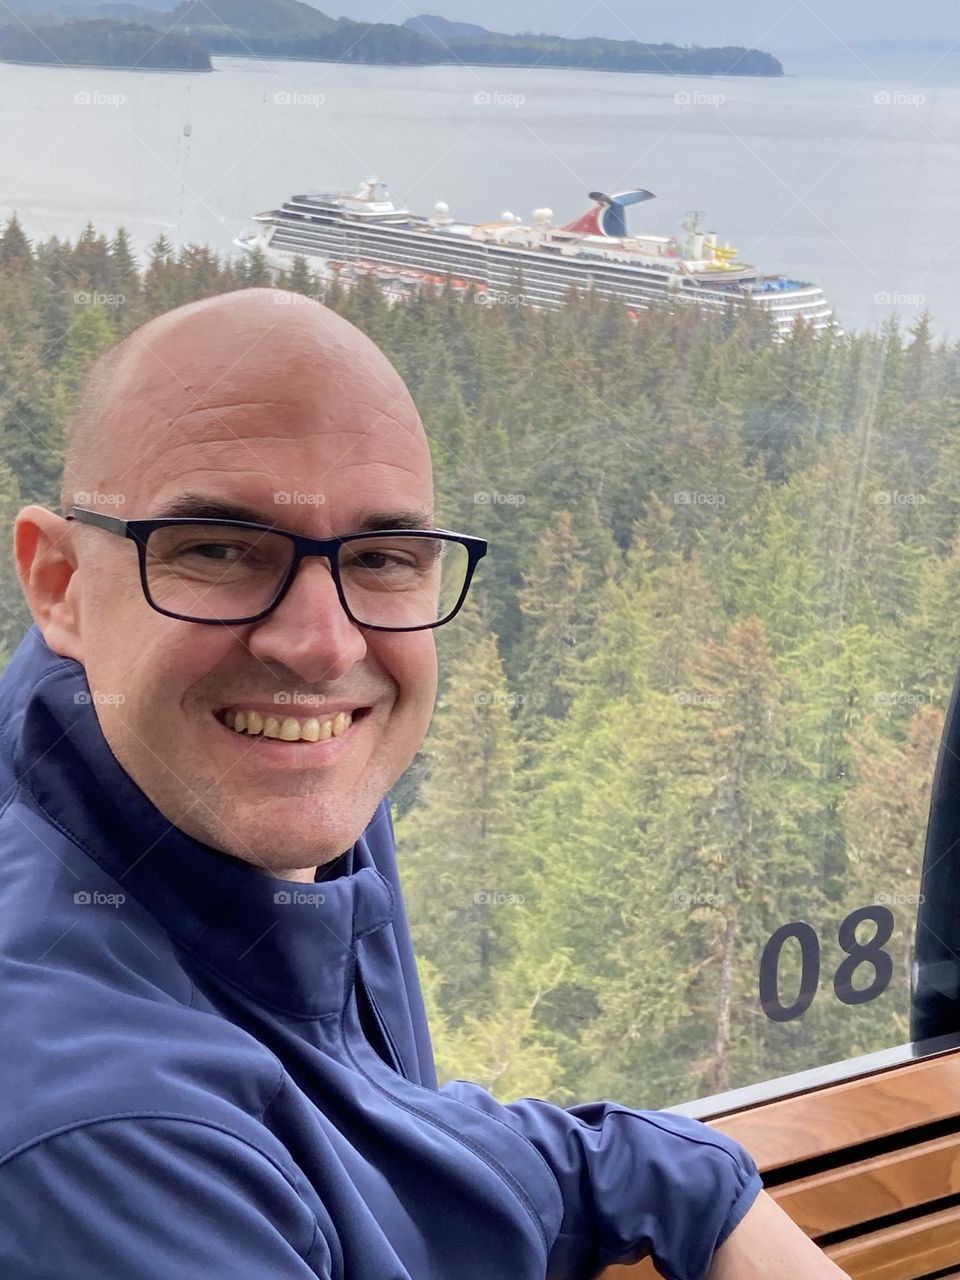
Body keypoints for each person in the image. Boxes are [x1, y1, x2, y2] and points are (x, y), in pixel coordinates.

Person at [0, 288, 847, 1278]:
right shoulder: (94, 1138)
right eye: (219, 548)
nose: (322, 644)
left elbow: (391, 1133)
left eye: (384, 556)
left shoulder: (231, 793)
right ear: (59, 583)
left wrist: (692, 1178)